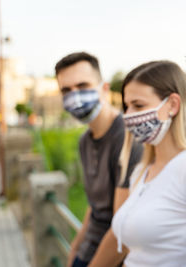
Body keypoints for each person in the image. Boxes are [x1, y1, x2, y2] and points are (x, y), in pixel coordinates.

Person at [93, 60, 186, 267]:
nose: (128, 115)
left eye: (138, 105)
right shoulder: (142, 170)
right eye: (126, 106)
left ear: (172, 105)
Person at [55, 52, 142, 267]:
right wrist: (75, 247)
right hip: (86, 252)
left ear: (104, 88)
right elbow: (95, 206)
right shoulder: (85, 140)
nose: (74, 96)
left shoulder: (127, 137)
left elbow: (122, 226)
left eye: (83, 86)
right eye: (66, 90)